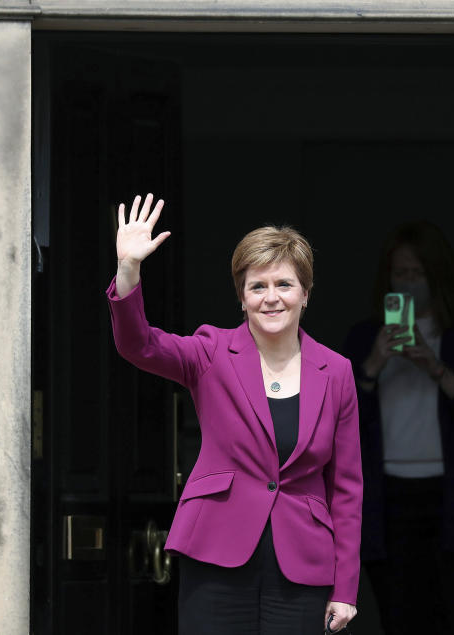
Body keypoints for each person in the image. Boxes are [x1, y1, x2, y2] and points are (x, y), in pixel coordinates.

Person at [106, 194, 362, 634]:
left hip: (302, 563)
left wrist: (345, 587)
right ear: (241, 299)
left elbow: (346, 487)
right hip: (216, 553)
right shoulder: (210, 353)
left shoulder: (336, 371)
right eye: (257, 287)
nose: (271, 298)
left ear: (306, 293)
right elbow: (140, 345)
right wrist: (129, 270)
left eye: (284, 284)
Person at [343, 221, 454, 635]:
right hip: (390, 497)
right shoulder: (366, 336)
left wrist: (433, 366)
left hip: (452, 494)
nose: (407, 284)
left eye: (416, 274)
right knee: (402, 616)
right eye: (399, 274)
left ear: (436, 276)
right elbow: (338, 415)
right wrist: (373, 363)